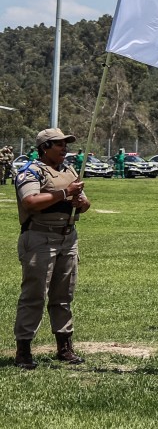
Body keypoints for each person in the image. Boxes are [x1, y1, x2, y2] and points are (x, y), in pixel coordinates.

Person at [13, 128, 88, 368]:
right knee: (34, 296)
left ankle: (64, 346)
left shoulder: (69, 170)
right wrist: (65, 192)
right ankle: (24, 350)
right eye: (59, 144)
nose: (64, 148)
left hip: (67, 237)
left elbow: (84, 204)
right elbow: (30, 201)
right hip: (39, 238)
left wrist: (81, 201)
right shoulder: (31, 171)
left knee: (63, 295)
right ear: (45, 147)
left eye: (66, 143)